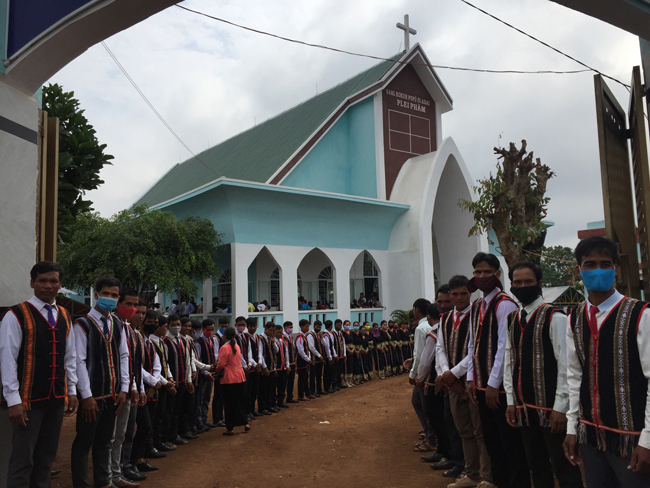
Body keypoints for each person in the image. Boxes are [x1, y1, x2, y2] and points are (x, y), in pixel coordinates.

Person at [563, 237, 650, 487]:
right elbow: (574, 376)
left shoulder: (640, 314)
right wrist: (572, 428)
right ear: (579, 270)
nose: (598, 270)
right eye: (590, 264)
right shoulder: (575, 318)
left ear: (615, 269)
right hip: (590, 436)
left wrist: (647, 441)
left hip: (632, 439)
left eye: (605, 264)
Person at [502, 261, 584, 488]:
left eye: (528, 281)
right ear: (511, 285)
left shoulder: (554, 317)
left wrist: (560, 408)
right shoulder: (513, 319)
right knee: (537, 466)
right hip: (525, 408)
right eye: (517, 282)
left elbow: (566, 365)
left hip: (552, 410)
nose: (522, 286)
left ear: (539, 284)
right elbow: (510, 362)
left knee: (564, 467)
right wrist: (511, 401)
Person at [0, 262, 78, 488]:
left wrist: (71, 391)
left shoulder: (64, 314)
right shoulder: (15, 314)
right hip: (27, 401)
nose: (48, 285)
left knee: (46, 458)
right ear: (32, 283)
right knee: (23, 460)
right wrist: (14, 400)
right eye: (42, 280)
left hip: (55, 399)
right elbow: (7, 359)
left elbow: (69, 358)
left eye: (53, 281)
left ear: (60, 285)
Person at [466, 252, 530, 488]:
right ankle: (499, 482)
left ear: (497, 274)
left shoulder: (505, 304)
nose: (482, 276)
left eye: (487, 272)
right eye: (478, 272)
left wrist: (493, 384)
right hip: (482, 386)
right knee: (492, 442)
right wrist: (472, 379)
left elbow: (505, 347)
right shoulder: (477, 306)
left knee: (510, 442)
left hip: (501, 390)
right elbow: (473, 344)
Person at [71, 277, 130, 488]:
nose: (110, 299)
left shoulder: (118, 323)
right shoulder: (82, 324)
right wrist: (85, 395)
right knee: (84, 442)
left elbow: (123, 356)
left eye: (115, 296)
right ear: (96, 295)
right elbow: (78, 361)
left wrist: (124, 388)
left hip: (113, 393)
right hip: (93, 395)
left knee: (105, 441)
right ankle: (81, 484)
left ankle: (103, 482)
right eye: (106, 294)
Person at [435, 275, 493, 488]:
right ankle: (472, 475)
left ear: (470, 294)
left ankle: (487, 477)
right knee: (464, 431)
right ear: (449, 294)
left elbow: (478, 350)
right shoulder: (445, 319)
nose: (459, 298)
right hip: (453, 385)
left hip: (473, 384)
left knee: (481, 432)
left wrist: (455, 373)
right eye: (455, 294)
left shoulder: (479, 316)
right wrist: (446, 375)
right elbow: (440, 349)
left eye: (463, 294)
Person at [417, 303, 465, 478]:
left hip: (434, 383)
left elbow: (424, 361)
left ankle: (447, 453)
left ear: (429, 317)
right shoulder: (450, 330)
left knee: (439, 418)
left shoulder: (433, 334)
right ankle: (445, 452)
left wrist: (419, 379)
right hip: (450, 379)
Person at [109, 289, 145, 488]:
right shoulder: (112, 326)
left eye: (136, 306)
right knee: (111, 436)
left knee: (123, 434)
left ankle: (118, 472)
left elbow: (134, 364)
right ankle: (110, 474)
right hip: (113, 390)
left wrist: (135, 387)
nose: (133, 310)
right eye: (129, 305)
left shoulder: (130, 330)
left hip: (128, 389)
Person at [129, 311, 165, 478]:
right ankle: (131, 461)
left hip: (149, 388)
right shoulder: (136, 339)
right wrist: (152, 382)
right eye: (150, 321)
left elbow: (157, 366)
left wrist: (155, 384)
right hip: (138, 387)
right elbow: (136, 366)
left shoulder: (151, 343)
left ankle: (139, 458)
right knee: (142, 425)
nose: (153, 324)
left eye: (155, 322)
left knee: (147, 424)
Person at [409, 298, 435, 454]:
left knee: (425, 405)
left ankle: (431, 438)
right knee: (419, 402)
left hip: (423, 374)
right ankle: (429, 433)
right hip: (431, 371)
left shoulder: (420, 328)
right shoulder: (430, 325)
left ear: (416, 310)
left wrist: (413, 374)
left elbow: (420, 355)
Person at [215, 328, 250, 435]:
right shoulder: (237, 346)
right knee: (240, 401)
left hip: (229, 378)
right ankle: (245, 423)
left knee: (229, 403)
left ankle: (230, 428)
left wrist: (215, 369)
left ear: (225, 336)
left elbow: (221, 364)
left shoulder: (224, 348)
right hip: (240, 376)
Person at [194, 319, 219, 432]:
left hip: (211, 374)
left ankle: (204, 420)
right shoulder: (198, 342)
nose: (210, 331)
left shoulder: (212, 341)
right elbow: (198, 360)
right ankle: (199, 422)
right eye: (208, 329)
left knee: (207, 398)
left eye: (212, 329)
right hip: (202, 375)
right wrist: (206, 372)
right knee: (200, 399)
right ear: (203, 329)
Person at [234, 316, 255, 420]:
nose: (241, 327)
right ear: (235, 325)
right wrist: (245, 365)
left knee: (248, 391)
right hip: (239, 367)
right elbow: (238, 353)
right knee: (240, 392)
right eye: (239, 325)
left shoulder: (246, 337)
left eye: (243, 325)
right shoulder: (234, 337)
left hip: (247, 367)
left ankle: (248, 412)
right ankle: (240, 414)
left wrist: (250, 362)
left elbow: (249, 351)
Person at [257, 322, 277, 414]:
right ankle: (262, 407)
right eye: (270, 330)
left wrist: (273, 342)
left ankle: (269, 405)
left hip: (271, 366)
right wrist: (264, 367)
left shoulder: (270, 339)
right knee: (263, 389)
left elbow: (276, 351)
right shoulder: (261, 338)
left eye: (273, 331)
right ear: (266, 329)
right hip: (265, 367)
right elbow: (260, 354)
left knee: (270, 388)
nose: (272, 332)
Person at [245, 318, 262, 416]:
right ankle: (248, 411)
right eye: (250, 326)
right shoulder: (246, 337)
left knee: (255, 390)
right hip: (250, 367)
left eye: (254, 326)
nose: (253, 328)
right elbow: (248, 353)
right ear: (247, 327)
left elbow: (260, 350)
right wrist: (255, 364)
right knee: (249, 390)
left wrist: (259, 362)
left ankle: (252, 409)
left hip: (257, 367)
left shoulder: (257, 337)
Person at [273, 325, 290, 409]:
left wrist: (287, 365)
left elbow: (286, 354)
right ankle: (274, 402)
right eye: (278, 332)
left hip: (283, 367)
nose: (280, 334)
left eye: (281, 332)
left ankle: (281, 400)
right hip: (277, 367)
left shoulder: (282, 342)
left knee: (282, 385)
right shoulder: (273, 342)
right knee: (275, 385)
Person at [295, 320, 312, 400]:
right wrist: (307, 359)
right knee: (302, 377)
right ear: (301, 327)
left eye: (308, 326)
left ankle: (307, 393)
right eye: (306, 326)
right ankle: (301, 395)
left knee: (305, 377)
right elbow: (300, 350)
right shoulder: (300, 337)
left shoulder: (304, 336)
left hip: (305, 359)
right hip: (301, 360)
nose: (307, 328)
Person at [307, 320, 325, 396]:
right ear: (314, 326)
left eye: (320, 327)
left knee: (319, 375)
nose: (318, 328)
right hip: (314, 359)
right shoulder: (310, 335)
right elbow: (311, 347)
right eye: (317, 327)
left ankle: (319, 389)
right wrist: (319, 356)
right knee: (312, 376)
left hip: (319, 359)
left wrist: (321, 338)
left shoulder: (318, 335)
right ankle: (312, 391)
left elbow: (325, 344)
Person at [282, 322, 298, 403]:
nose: (291, 329)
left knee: (291, 380)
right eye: (289, 327)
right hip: (286, 363)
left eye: (291, 327)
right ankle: (282, 398)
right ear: (285, 327)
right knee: (284, 381)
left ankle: (290, 396)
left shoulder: (291, 337)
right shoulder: (282, 337)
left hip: (292, 362)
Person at [321, 320, 338, 393]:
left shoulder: (328, 334)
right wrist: (330, 357)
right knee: (327, 372)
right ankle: (326, 387)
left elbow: (332, 346)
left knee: (330, 372)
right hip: (327, 357)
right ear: (331, 326)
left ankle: (329, 386)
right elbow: (327, 347)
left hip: (330, 355)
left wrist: (334, 354)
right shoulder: (326, 335)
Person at [332, 319, 347, 389]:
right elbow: (331, 345)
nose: (339, 326)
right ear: (334, 325)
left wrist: (344, 354)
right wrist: (335, 355)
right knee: (335, 371)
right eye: (337, 325)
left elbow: (343, 343)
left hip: (341, 355)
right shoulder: (332, 334)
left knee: (340, 370)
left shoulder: (341, 334)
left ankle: (339, 383)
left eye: (340, 325)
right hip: (336, 356)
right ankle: (334, 384)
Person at [342, 320, 356, 387]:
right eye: (346, 324)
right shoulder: (342, 333)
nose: (347, 326)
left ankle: (350, 380)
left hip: (352, 352)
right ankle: (345, 381)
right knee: (346, 366)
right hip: (346, 352)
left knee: (351, 366)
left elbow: (353, 342)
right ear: (343, 325)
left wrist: (353, 349)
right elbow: (343, 343)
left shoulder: (351, 333)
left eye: (348, 325)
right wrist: (348, 350)